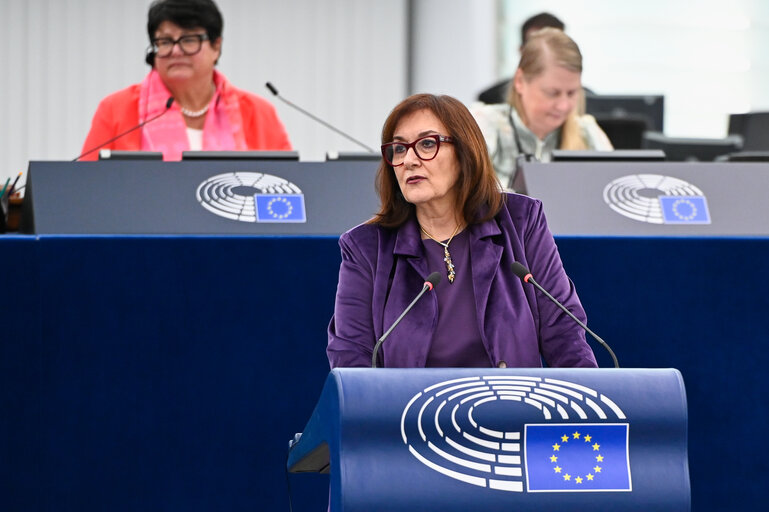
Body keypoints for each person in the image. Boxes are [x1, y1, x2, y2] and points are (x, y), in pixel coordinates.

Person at [327, 93, 597, 369]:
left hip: (514, 408)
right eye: (398, 149)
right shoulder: (366, 247)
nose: (408, 159)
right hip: (410, 412)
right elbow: (350, 358)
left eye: (427, 144)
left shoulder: (520, 221)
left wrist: (592, 405)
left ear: (465, 151)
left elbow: (564, 333)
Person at [79, 0, 291, 161]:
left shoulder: (258, 113)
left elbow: (284, 187)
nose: (176, 51)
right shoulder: (116, 110)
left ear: (216, 46)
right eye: (165, 41)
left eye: (189, 40)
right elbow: (87, 189)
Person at [471, 28, 612, 187]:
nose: (564, 106)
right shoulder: (483, 124)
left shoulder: (587, 133)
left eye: (572, 93)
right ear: (520, 82)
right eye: (552, 93)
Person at [477, 12, 566, 105]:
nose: (547, 54)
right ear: (521, 50)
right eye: (536, 48)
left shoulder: (582, 102)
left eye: (556, 46)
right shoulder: (490, 100)